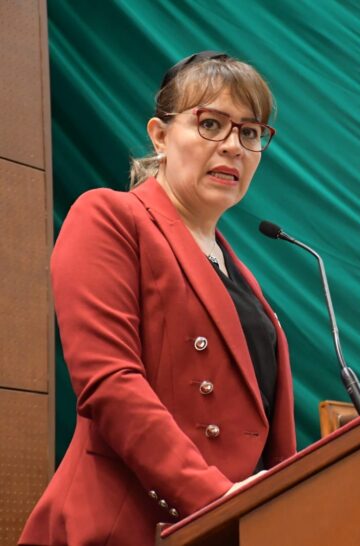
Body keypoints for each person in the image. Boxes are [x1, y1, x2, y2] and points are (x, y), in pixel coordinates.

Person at [19, 51, 296, 546]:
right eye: (210, 124)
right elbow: (111, 384)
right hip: (131, 528)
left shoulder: (243, 277)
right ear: (160, 135)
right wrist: (217, 499)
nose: (233, 146)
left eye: (250, 132)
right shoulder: (109, 217)